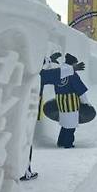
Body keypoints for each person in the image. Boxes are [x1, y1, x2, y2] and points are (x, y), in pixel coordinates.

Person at [21, 53, 84, 181]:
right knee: (25, 139)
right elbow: (49, 74)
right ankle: (24, 170)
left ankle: (22, 169)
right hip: (27, 107)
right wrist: (71, 69)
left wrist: (50, 59)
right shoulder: (35, 73)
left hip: (26, 104)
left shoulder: (25, 66)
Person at [54, 54, 91, 149]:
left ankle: (61, 141)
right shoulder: (71, 73)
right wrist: (86, 102)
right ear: (72, 63)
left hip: (60, 101)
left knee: (64, 123)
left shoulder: (60, 71)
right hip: (71, 102)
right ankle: (68, 143)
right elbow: (80, 89)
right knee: (71, 125)